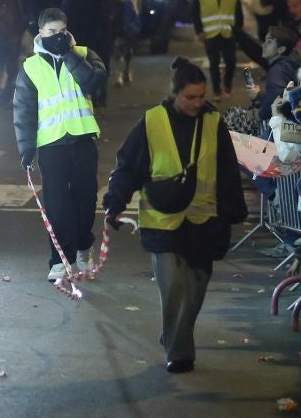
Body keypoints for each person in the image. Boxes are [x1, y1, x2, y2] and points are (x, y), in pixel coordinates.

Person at [103, 58, 247, 372]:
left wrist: (233, 211)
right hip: (161, 221)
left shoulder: (213, 121)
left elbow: (226, 169)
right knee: (174, 287)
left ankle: (175, 333)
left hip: (203, 221)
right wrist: (114, 204)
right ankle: (180, 353)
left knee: (195, 290)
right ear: (174, 94)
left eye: (201, 96)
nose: (198, 103)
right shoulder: (152, 121)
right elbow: (129, 167)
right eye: (190, 97)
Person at [12, 7, 106, 282]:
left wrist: (68, 53)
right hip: (51, 146)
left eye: (61, 31)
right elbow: (23, 111)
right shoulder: (30, 66)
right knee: (58, 206)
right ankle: (58, 260)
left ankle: (83, 247)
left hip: (82, 139)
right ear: (40, 32)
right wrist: (26, 151)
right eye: (51, 32)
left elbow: (93, 83)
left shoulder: (85, 54)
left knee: (86, 202)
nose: (56, 36)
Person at [195, 0, 241, 96]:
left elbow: (238, 13)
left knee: (231, 62)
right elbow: (195, 13)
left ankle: (227, 85)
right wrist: (199, 31)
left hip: (228, 34)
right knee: (214, 63)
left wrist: (238, 32)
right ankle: (216, 90)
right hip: (211, 34)